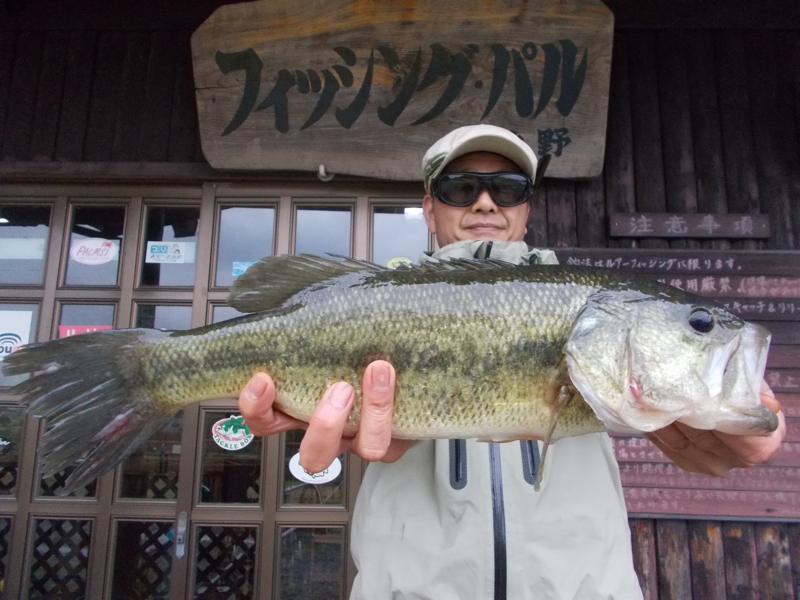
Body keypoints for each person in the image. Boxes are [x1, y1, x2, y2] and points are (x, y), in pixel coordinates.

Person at [238, 125, 786, 599]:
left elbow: (748, 434)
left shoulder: (585, 310)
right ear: (429, 207)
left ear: (527, 207)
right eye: (459, 188)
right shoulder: (379, 298)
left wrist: (737, 434)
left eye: (507, 188)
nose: (485, 203)